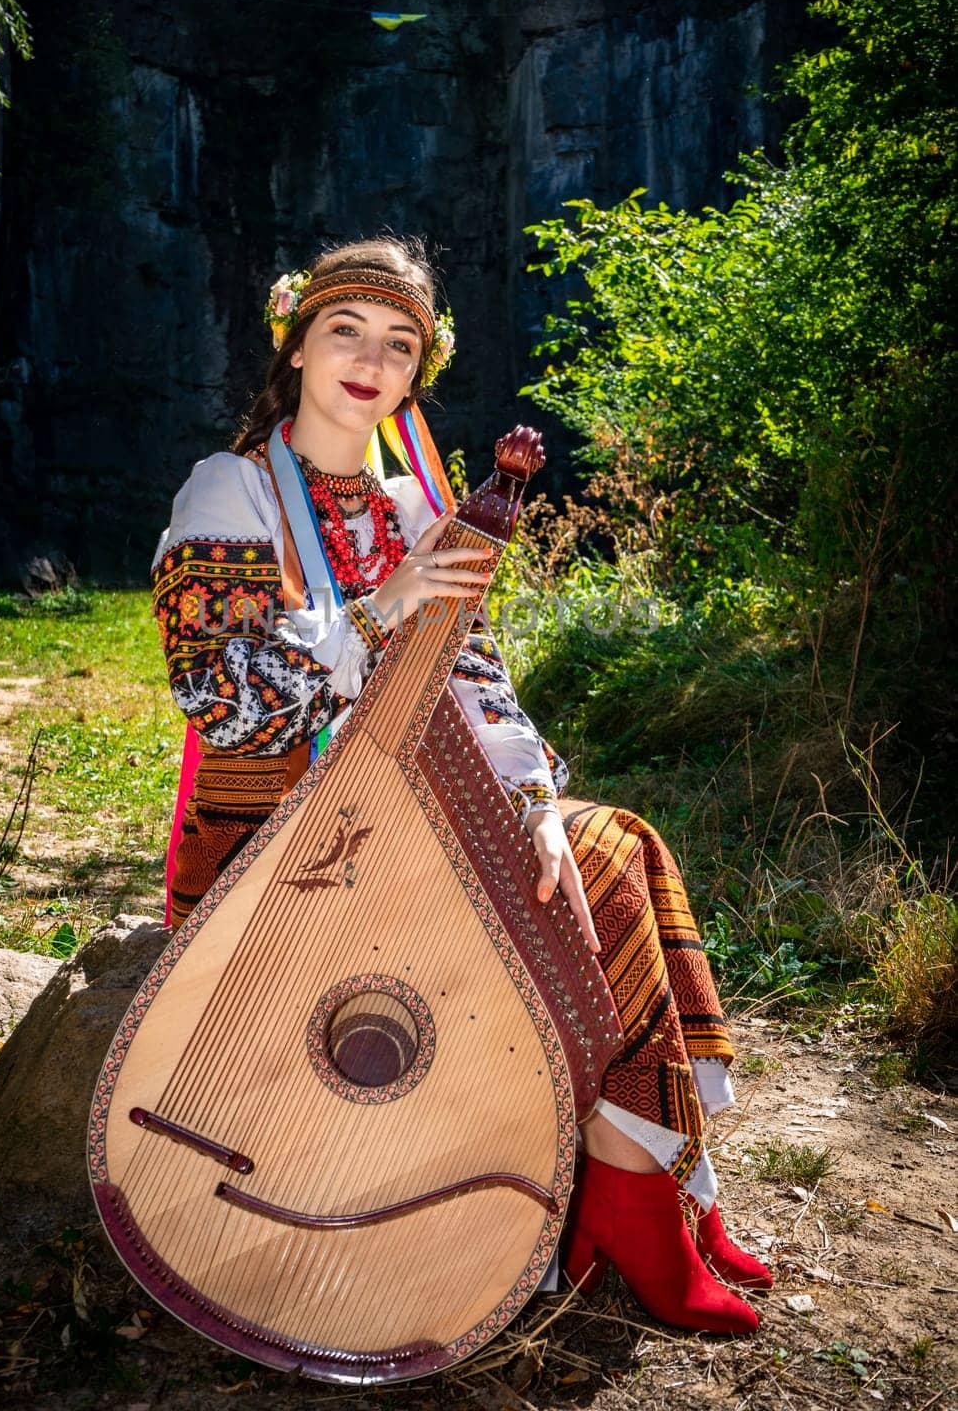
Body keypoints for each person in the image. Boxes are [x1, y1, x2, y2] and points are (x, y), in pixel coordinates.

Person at [150, 235, 772, 1338]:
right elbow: (218, 695)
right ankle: (622, 1216)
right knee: (611, 863)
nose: (370, 359)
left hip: (427, 799)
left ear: (413, 373)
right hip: (294, 827)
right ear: (294, 344)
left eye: (398, 344)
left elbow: (475, 675)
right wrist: (377, 611)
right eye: (345, 330)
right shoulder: (228, 488)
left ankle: (643, 1196)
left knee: (610, 846)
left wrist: (531, 808)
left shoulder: (405, 505)